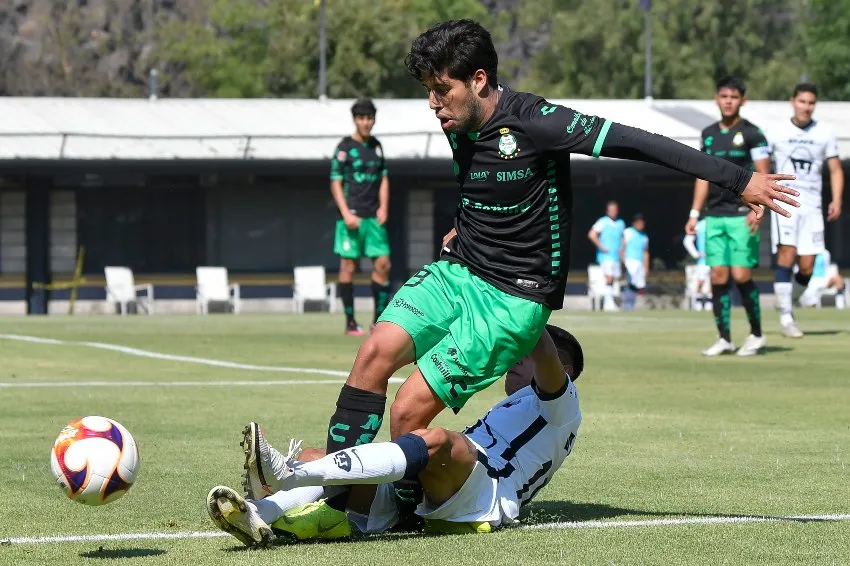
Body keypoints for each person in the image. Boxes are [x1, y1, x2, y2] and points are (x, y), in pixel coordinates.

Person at [318, 19, 797, 516]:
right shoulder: (459, 120)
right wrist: (465, 224)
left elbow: (638, 143)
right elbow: (485, 183)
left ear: (479, 81)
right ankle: (335, 508)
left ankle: (396, 516)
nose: (433, 104)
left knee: (407, 411)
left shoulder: (537, 121)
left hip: (512, 297)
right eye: (428, 91)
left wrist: (738, 180)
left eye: (442, 90)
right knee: (373, 354)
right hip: (459, 269)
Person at [207, 325, 584, 547]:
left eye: (522, 354)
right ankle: (259, 513)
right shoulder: (523, 404)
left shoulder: (562, 403)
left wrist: (522, 291)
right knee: (321, 456)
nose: (514, 359)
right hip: (446, 487)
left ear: (563, 371)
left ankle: (286, 476)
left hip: (487, 496)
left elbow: (543, 350)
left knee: (440, 440)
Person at [685, 76, 772, 357]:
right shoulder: (708, 134)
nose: (728, 102)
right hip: (714, 215)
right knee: (718, 276)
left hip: (742, 214)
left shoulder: (753, 134)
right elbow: (702, 176)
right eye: (724, 96)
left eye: (734, 97)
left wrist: (759, 209)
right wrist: (695, 213)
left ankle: (756, 334)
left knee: (741, 274)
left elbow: (763, 174)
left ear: (742, 101)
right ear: (716, 99)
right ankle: (724, 339)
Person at [768, 83, 844, 337]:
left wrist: (837, 199)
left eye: (811, 103)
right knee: (786, 254)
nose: (806, 107)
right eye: (802, 101)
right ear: (793, 102)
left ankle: (787, 302)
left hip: (812, 206)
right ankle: (786, 318)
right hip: (784, 200)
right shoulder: (776, 131)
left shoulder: (825, 132)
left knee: (808, 266)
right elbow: (761, 163)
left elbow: (835, 169)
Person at [330, 98, 392, 336]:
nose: (366, 123)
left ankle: (378, 321)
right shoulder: (344, 148)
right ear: (355, 120)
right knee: (348, 266)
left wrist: (384, 207)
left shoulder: (377, 146)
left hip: (373, 218)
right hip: (351, 218)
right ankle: (350, 322)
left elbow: (383, 178)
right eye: (361, 118)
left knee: (383, 265)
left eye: (369, 118)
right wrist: (346, 213)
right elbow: (335, 182)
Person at [588, 201, 626, 311]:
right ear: (607, 211)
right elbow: (592, 234)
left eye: (614, 210)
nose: (613, 212)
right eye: (611, 210)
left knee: (613, 279)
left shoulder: (621, 223)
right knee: (609, 277)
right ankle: (608, 303)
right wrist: (601, 247)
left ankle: (609, 302)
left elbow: (623, 238)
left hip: (616, 257)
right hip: (605, 256)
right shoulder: (602, 221)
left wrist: (622, 251)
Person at [621, 213, 649, 311]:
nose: (641, 225)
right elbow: (622, 248)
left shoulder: (644, 237)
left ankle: (631, 305)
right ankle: (627, 305)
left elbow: (645, 252)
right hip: (630, 261)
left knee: (637, 285)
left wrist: (646, 267)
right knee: (630, 284)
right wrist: (623, 262)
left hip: (640, 263)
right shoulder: (628, 232)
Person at [683, 217, 712, 311]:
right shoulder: (699, 225)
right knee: (701, 280)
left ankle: (709, 303)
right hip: (703, 261)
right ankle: (698, 303)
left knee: (712, 280)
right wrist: (695, 254)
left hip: (715, 259)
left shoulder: (717, 223)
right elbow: (687, 241)